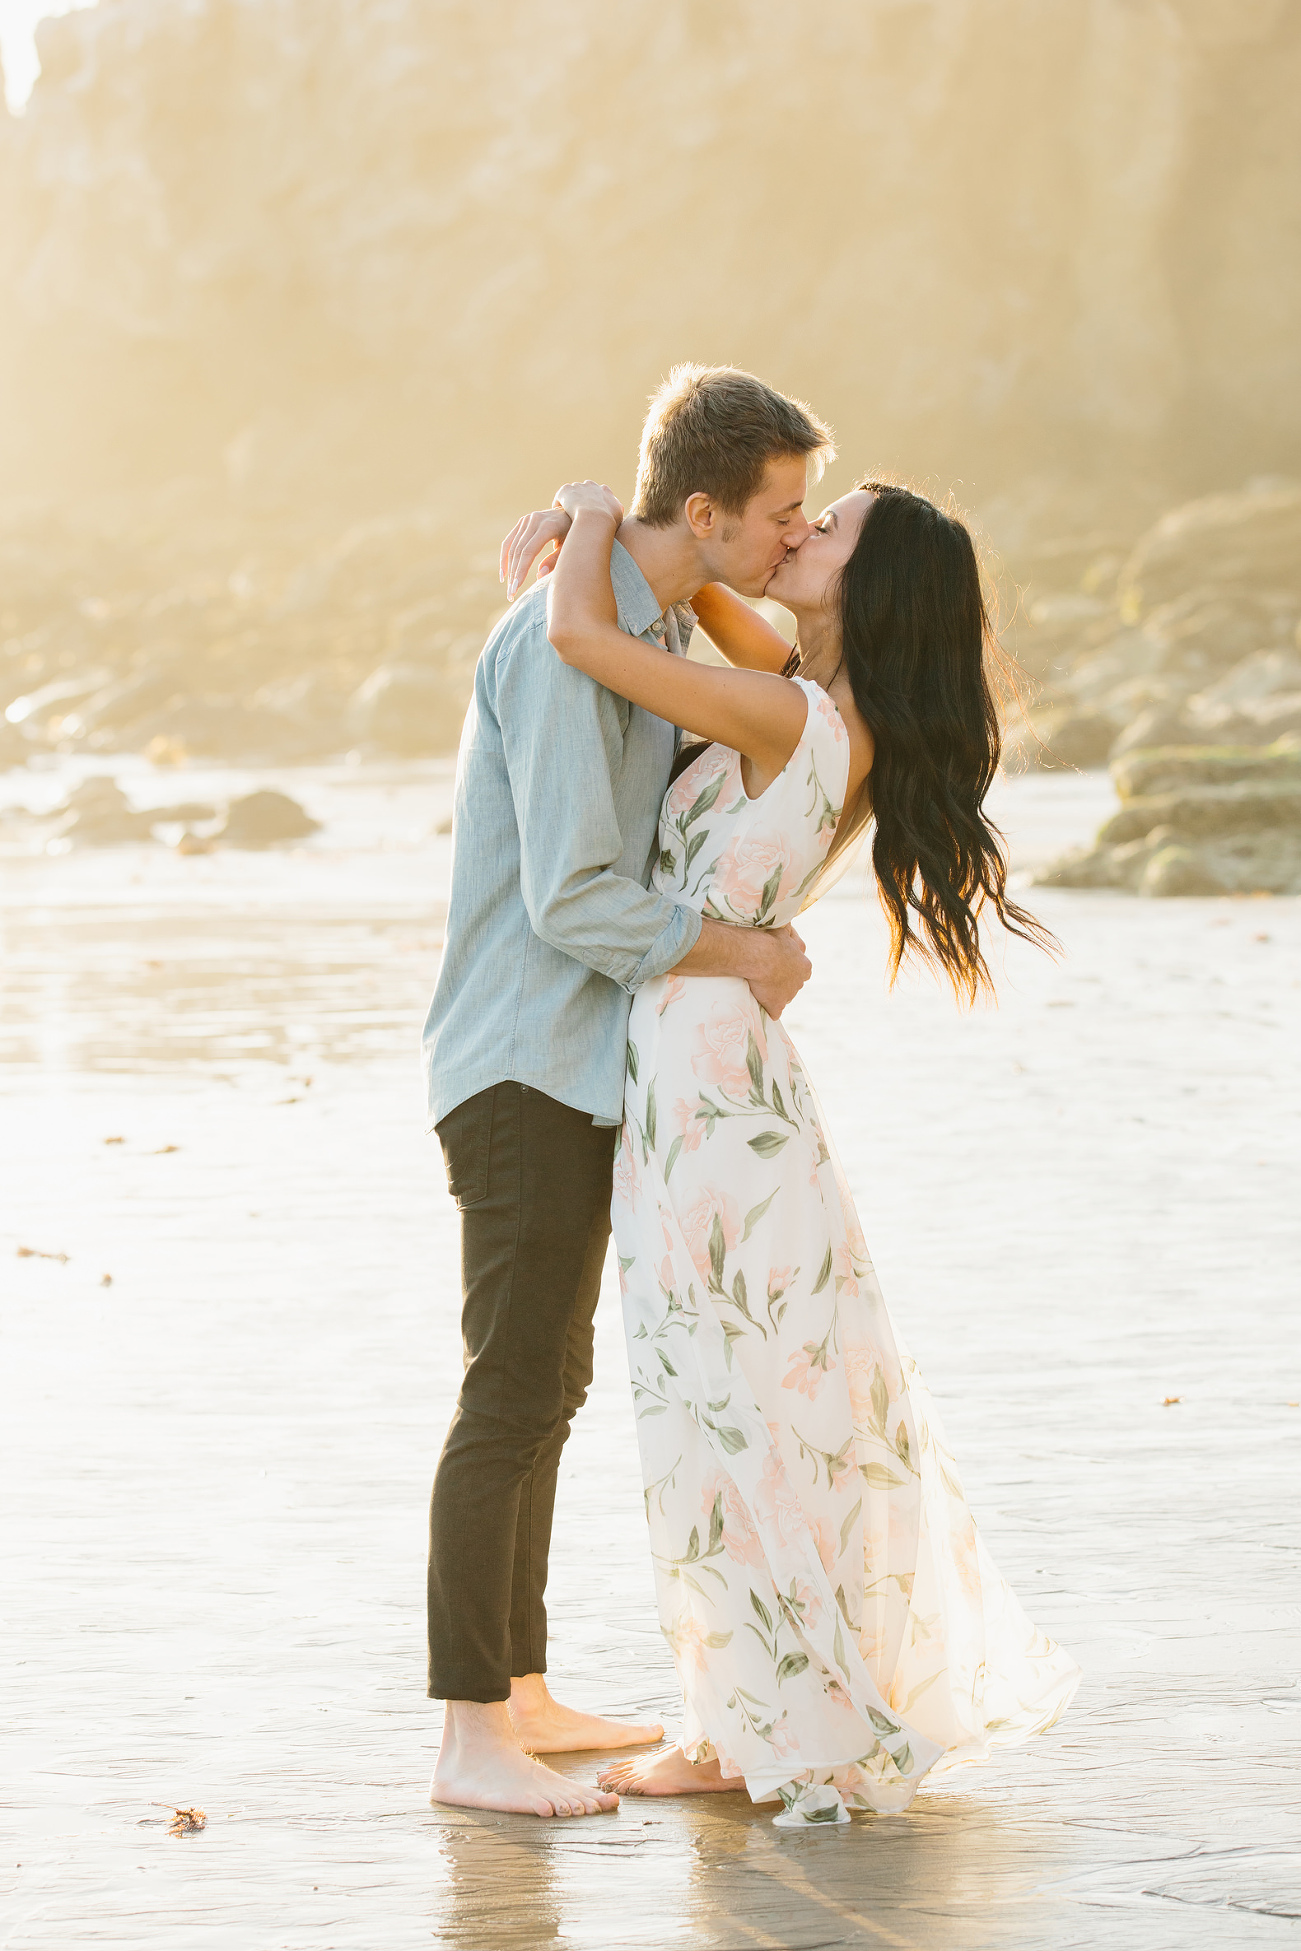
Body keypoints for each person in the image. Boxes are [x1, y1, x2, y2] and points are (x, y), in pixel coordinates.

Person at [499, 470, 1081, 1826]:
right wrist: (701, 549)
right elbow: (716, 601)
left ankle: (749, 1726)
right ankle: (752, 1710)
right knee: (751, 1384)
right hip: (721, 1067)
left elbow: (583, 641)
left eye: (829, 530)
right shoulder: (825, 703)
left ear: (869, 583)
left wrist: (591, 515)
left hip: (702, 1072)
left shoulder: (789, 710)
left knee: (716, 1389)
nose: (799, 533)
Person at [422, 365, 838, 1819]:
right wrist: (736, 947)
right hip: (525, 1054)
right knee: (510, 1388)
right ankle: (469, 1735)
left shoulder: (636, 621)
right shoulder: (560, 646)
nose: (792, 541)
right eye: (779, 515)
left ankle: (522, 1693)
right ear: (707, 509)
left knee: (553, 1379)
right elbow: (571, 897)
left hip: (586, 1062)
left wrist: (589, 512)